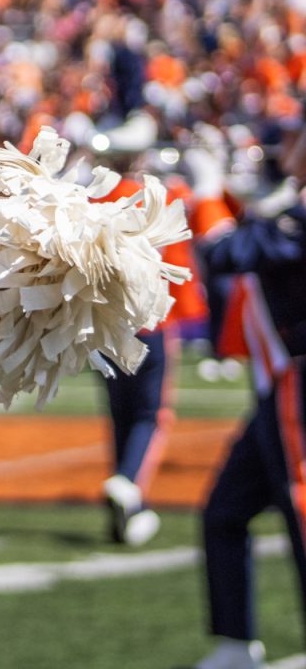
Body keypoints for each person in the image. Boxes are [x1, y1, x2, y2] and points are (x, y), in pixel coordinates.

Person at [180, 125, 306, 669]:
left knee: (302, 514)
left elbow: (227, 251)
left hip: (298, 386)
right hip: (276, 388)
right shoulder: (292, 206)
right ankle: (235, 644)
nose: (286, 148)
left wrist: (208, 189)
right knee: (225, 512)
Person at [90, 113, 206, 547]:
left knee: (120, 414)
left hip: (105, 324)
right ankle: (129, 482)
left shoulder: (91, 201)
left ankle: (126, 508)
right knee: (150, 415)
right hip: (151, 322)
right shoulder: (159, 195)